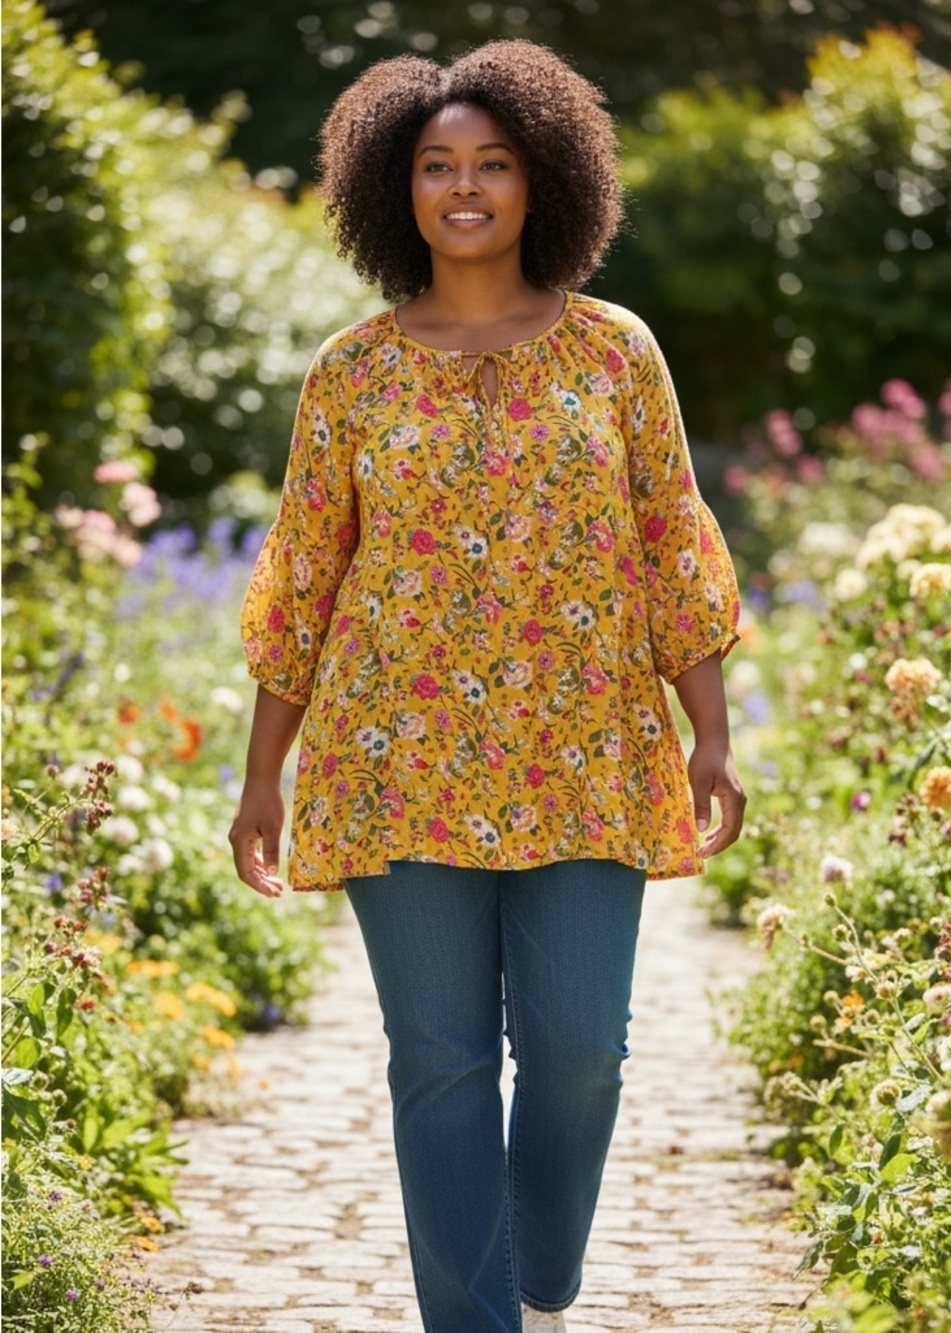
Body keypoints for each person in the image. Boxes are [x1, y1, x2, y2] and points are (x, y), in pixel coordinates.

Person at [229, 38, 745, 1333]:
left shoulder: (615, 355)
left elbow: (668, 542)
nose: (464, 187)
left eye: (493, 164)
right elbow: (302, 579)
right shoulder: (350, 375)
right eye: (436, 166)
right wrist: (260, 774)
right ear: (391, 190)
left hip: (585, 754)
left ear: (542, 180)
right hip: (391, 758)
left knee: (579, 1051)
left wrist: (712, 738)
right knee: (440, 1064)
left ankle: (539, 1270)